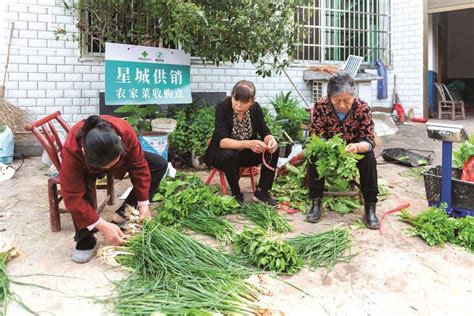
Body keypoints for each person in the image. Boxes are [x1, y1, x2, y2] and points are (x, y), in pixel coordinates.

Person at [60, 115, 168, 263]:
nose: (108, 169)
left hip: (118, 159)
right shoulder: (73, 150)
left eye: (111, 164)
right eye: (106, 167)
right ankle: (85, 239)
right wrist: (101, 224)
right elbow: (72, 196)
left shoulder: (124, 131)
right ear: (85, 152)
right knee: (81, 193)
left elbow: (139, 166)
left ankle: (123, 212)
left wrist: (144, 203)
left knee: (159, 164)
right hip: (87, 169)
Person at [306, 72, 380, 229]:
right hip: (328, 149)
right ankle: (316, 202)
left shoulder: (363, 108)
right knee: (313, 155)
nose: (342, 105)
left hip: (353, 150)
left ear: (354, 96)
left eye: (347, 100)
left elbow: (370, 140)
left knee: (369, 158)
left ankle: (370, 207)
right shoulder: (321, 106)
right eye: (337, 100)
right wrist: (328, 146)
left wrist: (357, 147)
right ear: (329, 97)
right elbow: (315, 134)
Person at [204, 80, 279, 205]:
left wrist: (271, 141)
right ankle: (236, 193)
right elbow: (222, 142)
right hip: (221, 154)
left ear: (251, 102)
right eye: (236, 99)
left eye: (244, 102)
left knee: (274, 150)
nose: (238, 105)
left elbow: (264, 130)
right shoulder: (223, 107)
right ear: (232, 95)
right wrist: (249, 144)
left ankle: (262, 191)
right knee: (229, 155)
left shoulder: (255, 109)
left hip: (244, 154)